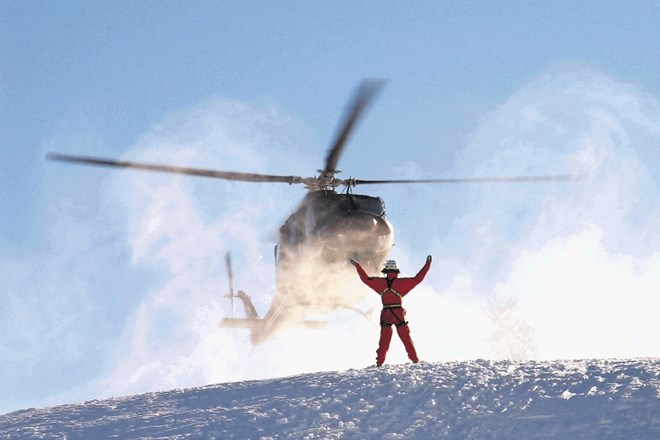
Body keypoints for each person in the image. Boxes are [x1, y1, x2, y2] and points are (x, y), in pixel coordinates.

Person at [351, 255, 432, 366]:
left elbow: (365, 279)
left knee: (384, 340)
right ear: (396, 271)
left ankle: (380, 362)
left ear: (386, 271)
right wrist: (427, 265)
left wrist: (357, 266)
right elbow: (418, 278)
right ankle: (415, 360)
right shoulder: (402, 284)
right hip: (398, 314)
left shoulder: (379, 283)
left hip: (386, 314)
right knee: (406, 339)